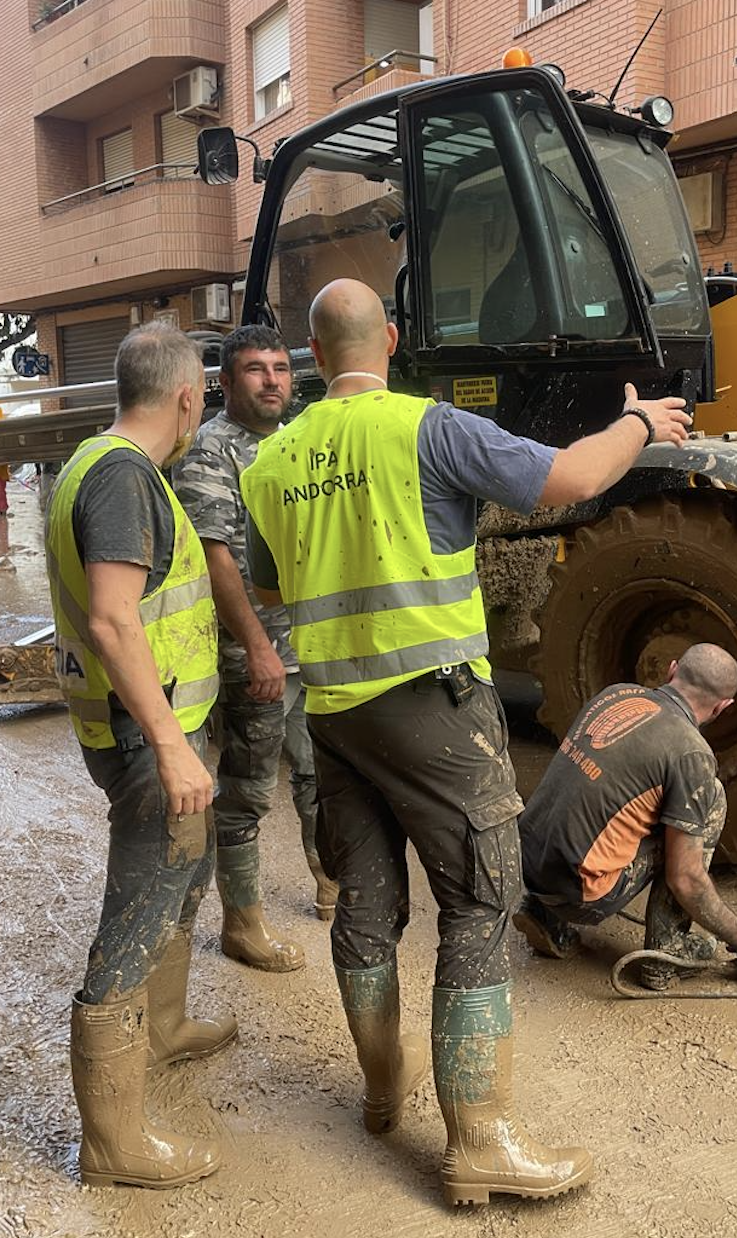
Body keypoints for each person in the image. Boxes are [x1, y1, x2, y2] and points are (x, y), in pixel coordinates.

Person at [239, 278, 693, 1207]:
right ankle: (480, 1139)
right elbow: (568, 479)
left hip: (334, 715)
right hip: (435, 710)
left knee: (365, 905)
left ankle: (379, 1090)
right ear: (393, 339)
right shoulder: (429, 428)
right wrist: (641, 423)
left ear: (312, 357)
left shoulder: (270, 463)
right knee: (481, 902)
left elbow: (276, 592)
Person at [44, 322, 234, 1190]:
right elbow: (117, 619)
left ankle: (164, 1029)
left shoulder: (93, 463)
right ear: (189, 396)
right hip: (147, 741)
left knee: (175, 888)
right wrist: (170, 747)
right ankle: (113, 1143)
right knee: (131, 922)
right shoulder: (123, 477)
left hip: (143, 730)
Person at [175, 324, 337, 973]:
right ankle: (243, 924)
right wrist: (256, 647)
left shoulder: (297, 440)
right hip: (254, 657)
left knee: (318, 774)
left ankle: (328, 880)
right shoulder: (211, 451)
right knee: (246, 790)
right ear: (225, 382)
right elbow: (216, 558)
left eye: (279, 368)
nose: (272, 380)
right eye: (254, 369)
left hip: (311, 646)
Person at [513, 645, 737, 989]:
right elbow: (686, 879)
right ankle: (664, 956)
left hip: (525, 862)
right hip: (578, 892)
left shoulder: (617, 694)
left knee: (609, 798)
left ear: (671, 671)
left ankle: (541, 911)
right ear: (722, 708)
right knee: (708, 801)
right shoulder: (691, 754)